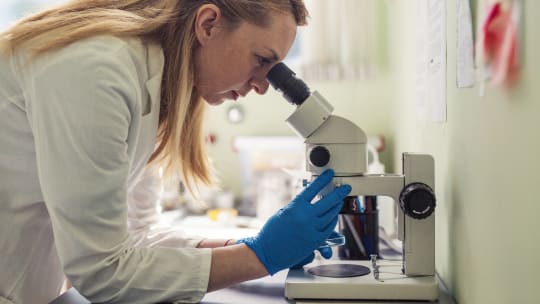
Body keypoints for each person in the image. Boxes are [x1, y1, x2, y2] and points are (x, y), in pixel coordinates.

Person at [0, 0, 351, 303]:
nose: (262, 86)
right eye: (261, 59)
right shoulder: (96, 71)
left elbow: (138, 234)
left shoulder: (150, 80)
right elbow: (102, 271)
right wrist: (261, 256)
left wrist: (250, 243)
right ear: (208, 24)